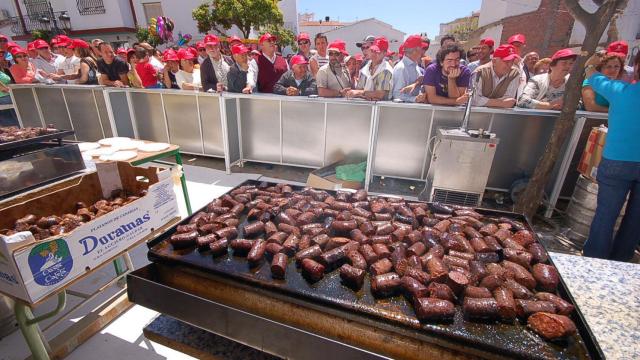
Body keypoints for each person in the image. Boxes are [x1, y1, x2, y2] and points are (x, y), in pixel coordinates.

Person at [581, 52, 640, 262]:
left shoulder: (621, 91)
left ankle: (594, 260)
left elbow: (594, 77)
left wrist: (590, 64)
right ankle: (621, 260)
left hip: (617, 162)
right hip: (620, 161)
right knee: (635, 220)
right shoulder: (621, 90)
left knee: (606, 214)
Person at [470, 44, 524, 108]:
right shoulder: (480, 72)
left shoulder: (515, 73)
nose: (510, 65)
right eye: (506, 61)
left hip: (499, 116)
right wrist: (501, 103)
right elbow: (473, 99)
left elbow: (509, 100)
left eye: (512, 61)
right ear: (494, 61)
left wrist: (485, 101)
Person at [391, 35, 427, 102]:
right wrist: (415, 99)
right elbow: (397, 94)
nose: (422, 52)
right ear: (415, 50)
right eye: (421, 49)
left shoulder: (414, 65)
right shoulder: (401, 68)